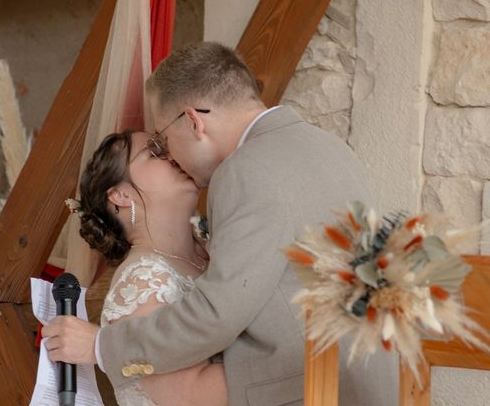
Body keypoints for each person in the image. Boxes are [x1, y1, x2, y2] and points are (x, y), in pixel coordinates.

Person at [43, 42, 396, 406]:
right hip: (369, 386)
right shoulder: (332, 148)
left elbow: (218, 315)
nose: (172, 157)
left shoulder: (245, 171)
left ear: (193, 121)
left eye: (163, 140)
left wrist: (100, 346)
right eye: (156, 151)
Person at [49, 130, 228, 405]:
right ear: (120, 194)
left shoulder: (213, 248)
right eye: (155, 152)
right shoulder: (143, 281)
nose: (174, 155)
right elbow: (190, 397)